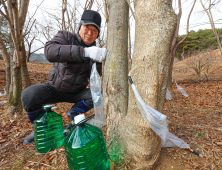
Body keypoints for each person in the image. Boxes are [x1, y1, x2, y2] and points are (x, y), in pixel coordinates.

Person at [21, 10, 107, 144]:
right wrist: (84, 52)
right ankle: (40, 127)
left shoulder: (96, 53)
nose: (90, 33)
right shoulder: (65, 36)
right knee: (28, 95)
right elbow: (50, 52)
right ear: (80, 26)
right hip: (54, 88)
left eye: (95, 30)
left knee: (98, 95)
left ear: (97, 35)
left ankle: (73, 115)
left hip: (77, 93)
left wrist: (101, 60)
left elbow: (97, 78)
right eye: (87, 28)